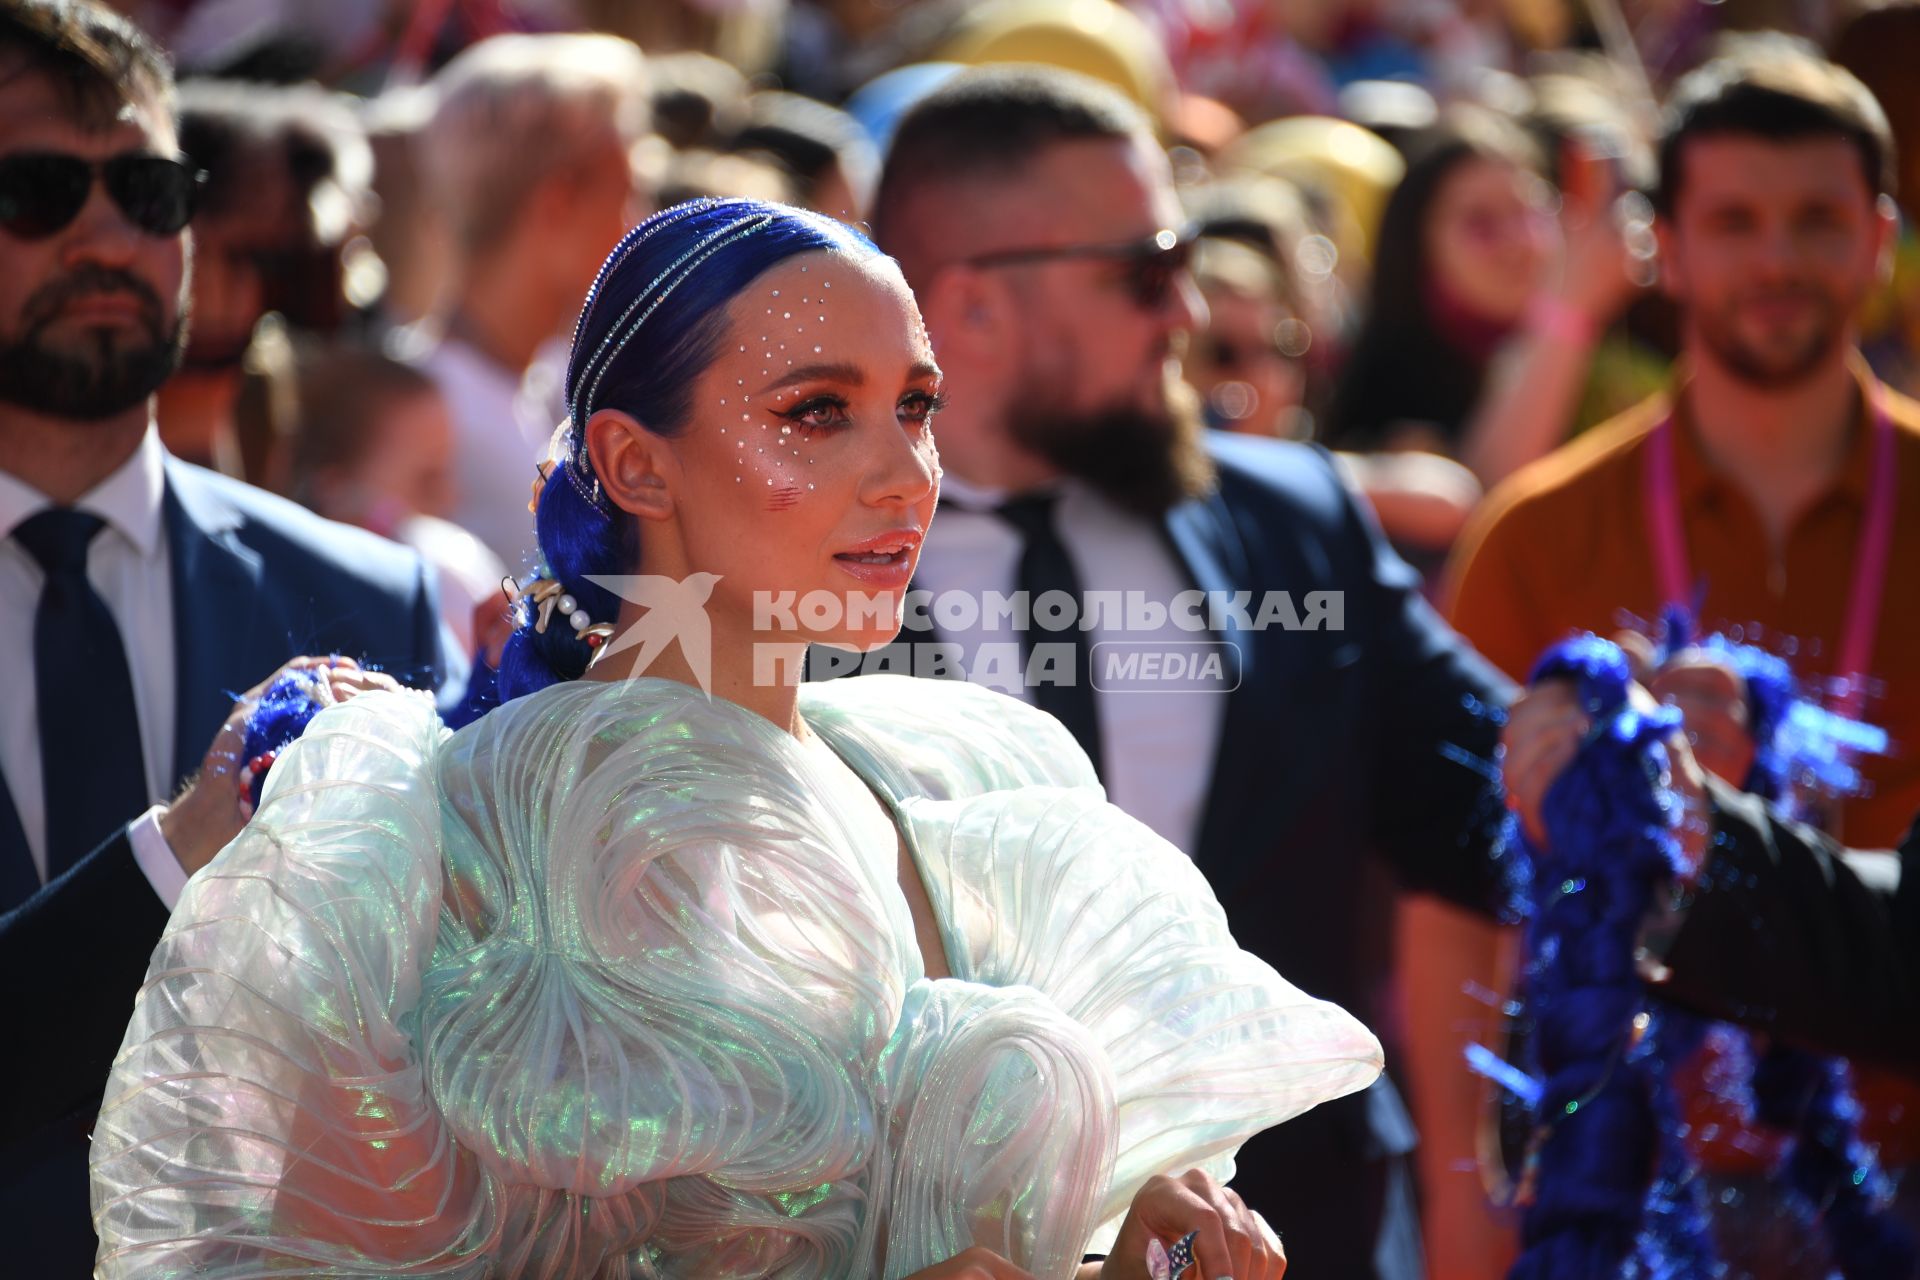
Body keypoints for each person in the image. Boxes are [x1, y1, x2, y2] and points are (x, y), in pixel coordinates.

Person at [89, 196, 1381, 1279]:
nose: (900, 475)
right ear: (635, 464)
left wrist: (1113, 1243)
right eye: (820, 410)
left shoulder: (958, 777)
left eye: (916, 409)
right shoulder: (461, 833)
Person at [867, 65, 1517, 1280]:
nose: (1187, 310)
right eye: (1147, 268)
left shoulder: (1294, 519)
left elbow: (1496, 798)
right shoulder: (784, 567)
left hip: (1302, 1239)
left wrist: (1629, 753)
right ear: (972, 305)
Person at [1442, 36, 1920, 1272]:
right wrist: (1462, 1217)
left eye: (1816, 220)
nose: (1776, 259)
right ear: (1669, 242)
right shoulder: (1538, 537)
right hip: (1627, 1199)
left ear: (1880, 236)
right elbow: (1456, 906)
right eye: (1737, 219)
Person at [0, 1, 445, 1269]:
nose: (105, 234)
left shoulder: (369, 599)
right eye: (37, 188)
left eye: (148, 188)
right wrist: (182, 843)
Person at [412, 32, 649, 570]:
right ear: (557, 204)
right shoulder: (435, 422)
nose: (636, 225)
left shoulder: (551, 383)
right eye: (626, 194)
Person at [288, 340, 506, 661]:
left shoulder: (449, 574)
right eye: (426, 480)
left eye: (447, 473)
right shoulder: (289, 617)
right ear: (334, 489)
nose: (450, 498)